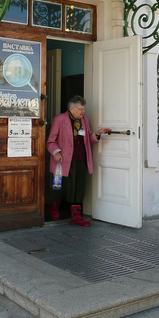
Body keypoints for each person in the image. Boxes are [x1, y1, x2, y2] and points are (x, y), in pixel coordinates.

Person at [46, 95, 111, 226]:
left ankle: (76, 216)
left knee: (79, 188)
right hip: (64, 160)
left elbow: (89, 139)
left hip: (81, 159)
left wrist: (97, 133)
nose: (83, 111)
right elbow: (50, 142)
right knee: (63, 187)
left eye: (84, 109)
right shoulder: (60, 119)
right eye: (80, 109)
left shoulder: (84, 120)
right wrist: (56, 152)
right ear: (71, 108)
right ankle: (54, 206)